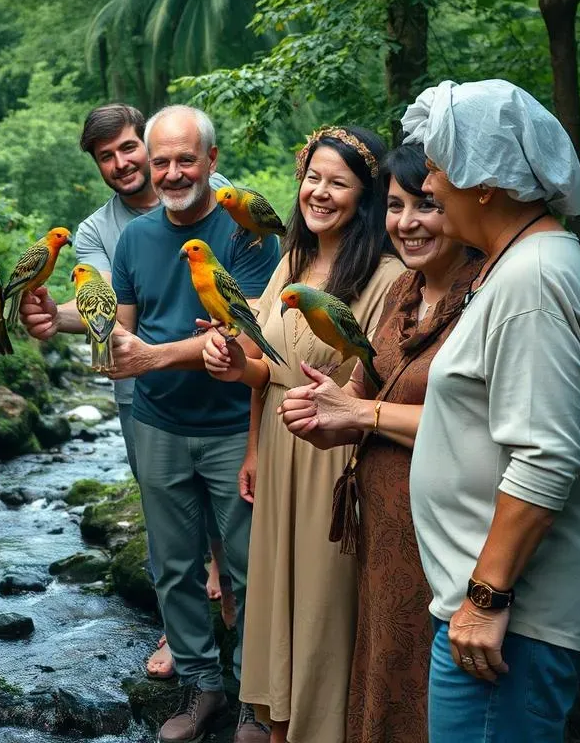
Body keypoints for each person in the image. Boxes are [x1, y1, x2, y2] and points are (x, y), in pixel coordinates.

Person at [19, 102, 244, 677]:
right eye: (106, 157)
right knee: (172, 540)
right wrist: (50, 315)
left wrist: (157, 350)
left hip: (227, 404)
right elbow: (106, 312)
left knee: (239, 545)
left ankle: (248, 666)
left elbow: (252, 316)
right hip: (146, 399)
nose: (124, 163)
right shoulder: (104, 231)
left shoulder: (227, 205)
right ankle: (190, 654)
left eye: (129, 148)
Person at [203, 125, 403, 743]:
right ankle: (280, 721)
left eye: (337, 183)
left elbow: (383, 388)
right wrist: (243, 390)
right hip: (283, 452)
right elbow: (269, 367)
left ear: (365, 196)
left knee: (322, 601)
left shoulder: (387, 277)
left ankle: (324, 727)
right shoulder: (290, 261)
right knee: (277, 593)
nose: (320, 192)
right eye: (312, 178)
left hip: (336, 460)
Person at [402, 79, 580, 743]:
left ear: (485, 181)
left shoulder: (535, 276)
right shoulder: (516, 267)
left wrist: (485, 599)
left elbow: (547, 453)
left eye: (440, 165)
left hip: (506, 627)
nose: (430, 182)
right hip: (489, 614)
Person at [277, 142, 480, 743]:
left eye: (427, 205)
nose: (408, 222)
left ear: (465, 206)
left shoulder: (485, 299)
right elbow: (362, 387)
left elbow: (478, 429)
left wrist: (359, 413)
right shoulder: (402, 297)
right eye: (395, 206)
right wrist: (321, 413)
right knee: (381, 674)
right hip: (382, 536)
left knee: (431, 692)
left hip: (445, 544)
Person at [107, 104, 280, 742]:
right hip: (156, 422)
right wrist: (114, 350)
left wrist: (153, 354)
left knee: (248, 564)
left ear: (211, 160)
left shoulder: (248, 235)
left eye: (186, 159)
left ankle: (253, 699)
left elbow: (249, 331)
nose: (173, 172)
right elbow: (126, 328)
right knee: (173, 564)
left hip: (236, 425)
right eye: (161, 162)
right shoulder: (135, 238)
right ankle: (201, 686)